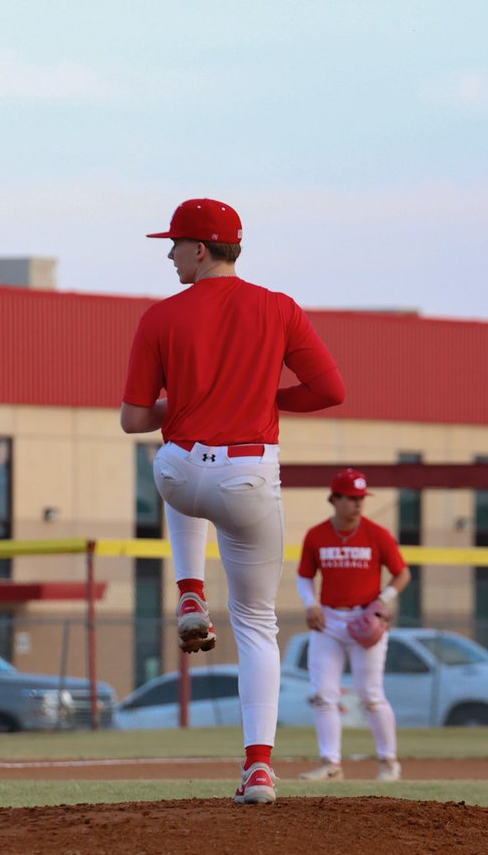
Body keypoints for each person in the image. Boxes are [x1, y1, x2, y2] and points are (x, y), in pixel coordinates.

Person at [120, 198, 345, 804]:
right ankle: (259, 771)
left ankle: (189, 588)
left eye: (174, 244)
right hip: (249, 474)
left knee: (170, 468)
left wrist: (182, 408)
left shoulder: (160, 317)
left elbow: (133, 419)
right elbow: (330, 390)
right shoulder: (279, 307)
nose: (168, 254)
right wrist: (267, 402)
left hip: (184, 467)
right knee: (256, 623)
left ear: (200, 249)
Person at [296, 468, 411, 783]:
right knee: (323, 693)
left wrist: (384, 600)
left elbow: (402, 573)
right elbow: (305, 574)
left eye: (361, 498)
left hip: (364, 620)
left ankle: (389, 762)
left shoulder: (377, 533)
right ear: (334, 498)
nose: (358, 504)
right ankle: (331, 764)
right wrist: (311, 604)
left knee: (370, 694)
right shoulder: (317, 535)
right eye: (351, 498)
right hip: (329, 620)